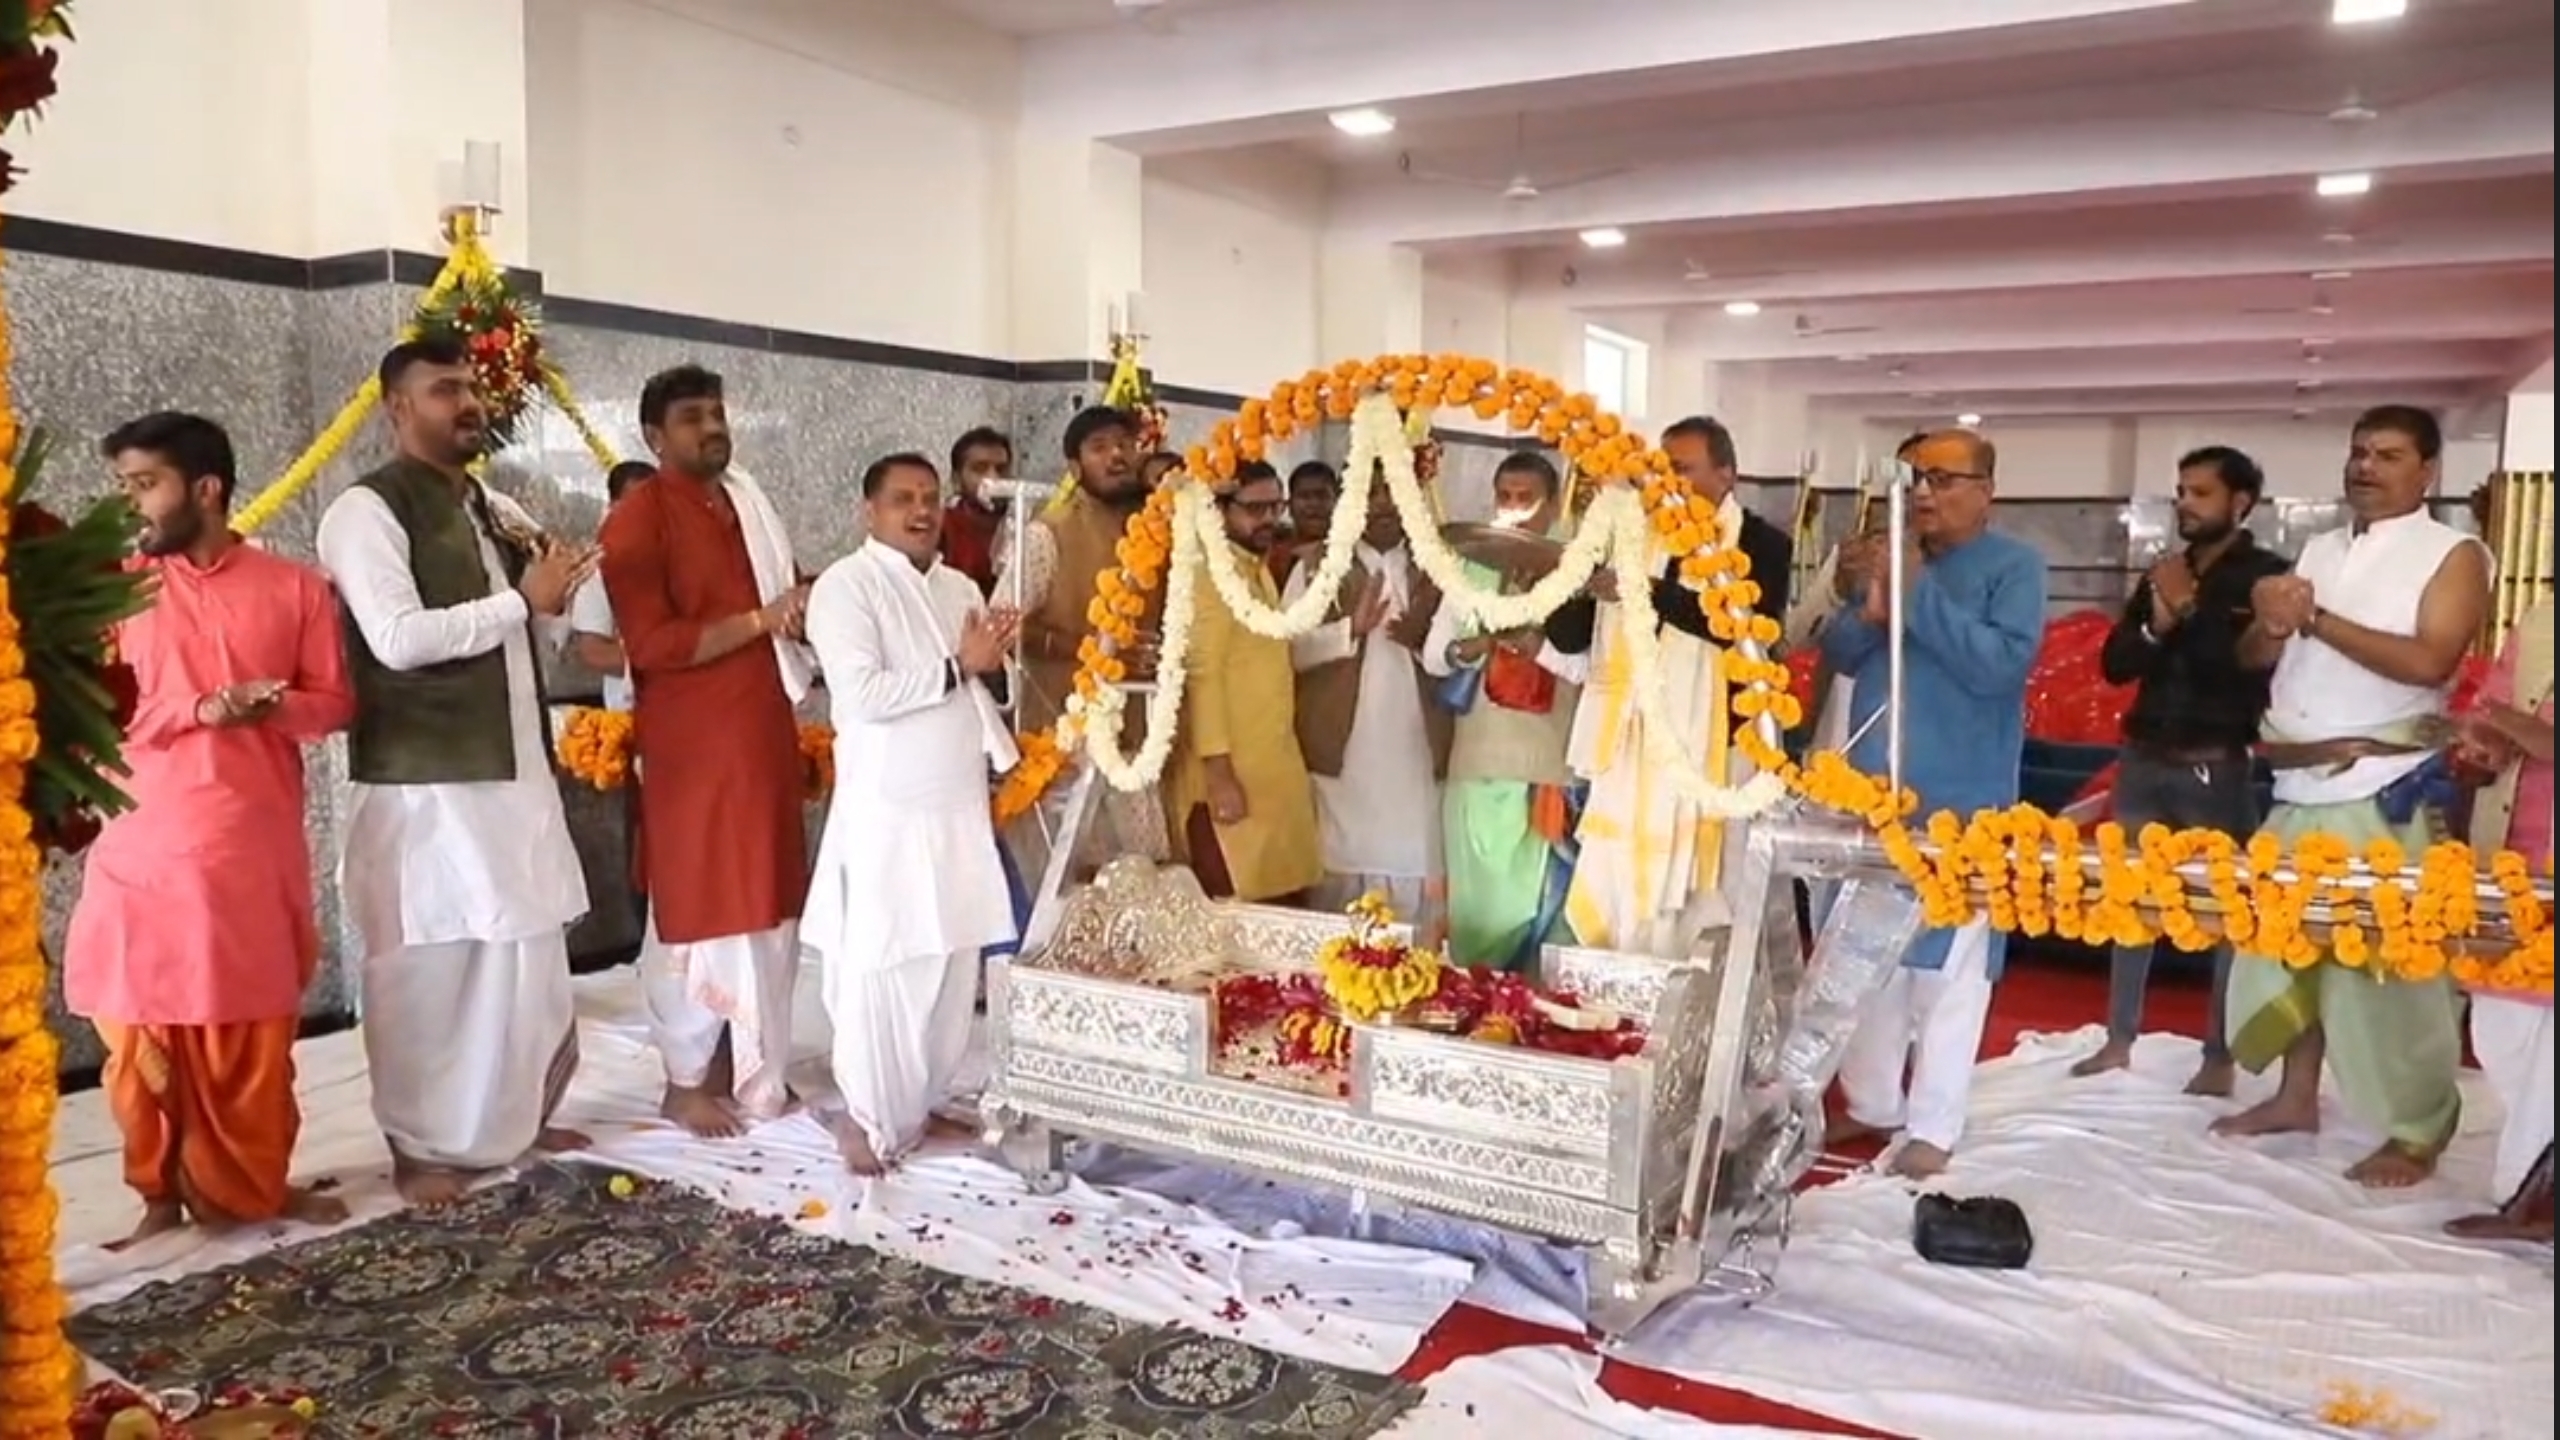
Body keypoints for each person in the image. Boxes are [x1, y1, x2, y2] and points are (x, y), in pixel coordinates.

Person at [316, 339, 596, 1207]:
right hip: (427, 786)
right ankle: (422, 1146)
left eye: (472, 388)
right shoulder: (365, 512)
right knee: (435, 967)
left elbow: (536, 624)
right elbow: (396, 640)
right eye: (445, 391)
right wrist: (523, 600)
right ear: (397, 408)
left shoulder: (490, 503)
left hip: (511, 772)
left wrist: (566, 590)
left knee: (525, 952)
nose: (467, 403)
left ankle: (510, 1116)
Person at [67, 412, 356, 1243]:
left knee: (253, 1037)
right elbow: (91, 713)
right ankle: (157, 1192)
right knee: (139, 1033)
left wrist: (271, 704)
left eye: (144, 485)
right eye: (123, 486)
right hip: (143, 852)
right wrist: (198, 708)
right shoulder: (115, 592)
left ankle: (253, 1186)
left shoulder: (294, 588)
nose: (131, 505)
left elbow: (333, 704)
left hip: (249, 850)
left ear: (206, 489)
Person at [2214, 404, 2488, 1188]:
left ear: (2428, 471)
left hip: (2389, 784)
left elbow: (2433, 660)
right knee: (2289, 945)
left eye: (2389, 455)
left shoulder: (2455, 552)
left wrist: (2316, 619)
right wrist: (2270, 623)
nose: (2366, 467)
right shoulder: (2320, 547)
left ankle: (2418, 1129)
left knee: (2391, 966)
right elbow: (2256, 655)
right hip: (2300, 780)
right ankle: (2296, 1097)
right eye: (2359, 453)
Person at [1822, 429, 2048, 1179]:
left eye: (1945, 479)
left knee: (1947, 972)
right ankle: (1874, 1102)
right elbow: (1848, 654)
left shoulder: (2014, 567)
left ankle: (1933, 1125)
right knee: (1867, 958)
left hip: (1962, 800)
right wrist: (1863, 593)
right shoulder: (1895, 556)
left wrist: (1914, 588)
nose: (1925, 492)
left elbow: (1998, 667)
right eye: (1915, 477)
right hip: (1872, 791)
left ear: (1986, 490)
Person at [600, 364, 814, 1137]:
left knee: (764, 897)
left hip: (758, 730)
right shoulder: (638, 518)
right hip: (693, 743)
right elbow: (652, 643)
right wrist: (762, 620)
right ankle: (683, 1077)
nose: (712, 428)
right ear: (655, 437)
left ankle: (744, 1056)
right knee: (697, 906)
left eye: (717, 413)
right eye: (693, 417)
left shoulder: (745, 503)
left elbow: (783, 595)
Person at [802, 452, 1021, 1175]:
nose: (921, 510)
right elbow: (862, 695)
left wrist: (992, 668)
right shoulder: (845, 586)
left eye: (929, 498)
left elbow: (978, 683)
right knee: (883, 964)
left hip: (954, 806)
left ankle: (918, 1104)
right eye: (903, 499)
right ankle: (866, 1118)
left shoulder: (958, 583)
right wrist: (962, 664)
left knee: (951, 960)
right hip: (887, 814)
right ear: (871, 511)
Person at [2074, 446, 2290, 1095]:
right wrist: (2158, 618)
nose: (2185, 505)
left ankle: (2218, 1056)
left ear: (2240, 502)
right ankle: (2118, 1039)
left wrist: (2184, 613)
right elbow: (2116, 663)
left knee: (2227, 911)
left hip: (2214, 767)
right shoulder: (2166, 572)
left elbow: (2241, 668)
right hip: (2144, 759)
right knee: (2133, 903)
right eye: (2181, 491)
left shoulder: (2267, 577)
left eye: (2200, 493)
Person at [1546, 415, 1792, 957]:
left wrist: (1647, 589)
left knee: (1708, 894)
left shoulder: (1762, 542)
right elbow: (1566, 639)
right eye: (1660, 469)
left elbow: (1743, 625)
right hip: (1629, 747)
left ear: (1727, 474)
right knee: (1614, 877)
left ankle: (1694, 1009)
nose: (1667, 482)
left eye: (1683, 469)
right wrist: (1576, 579)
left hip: (1717, 753)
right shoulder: (1630, 537)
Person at [1421, 451, 1590, 970]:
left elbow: (1591, 671)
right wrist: (1463, 652)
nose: (1514, 509)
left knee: (1541, 921)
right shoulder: (1467, 568)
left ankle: (1531, 1035)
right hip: (1476, 771)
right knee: (1478, 924)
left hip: (1546, 774)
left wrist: (1537, 648)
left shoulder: (1577, 574)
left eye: (1527, 499)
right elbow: (1432, 655)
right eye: (1505, 497)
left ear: (1555, 503)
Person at [1285, 465, 1450, 928]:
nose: (1383, 503)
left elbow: (1466, 648)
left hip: (1417, 749)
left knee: (1415, 857)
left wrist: (1425, 640)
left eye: (1394, 491)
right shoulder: (1317, 566)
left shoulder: (1435, 566)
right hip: (1343, 751)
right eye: (1371, 491)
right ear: (1350, 497)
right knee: (1341, 867)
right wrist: (1347, 631)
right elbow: (1282, 651)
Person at [1167, 461, 1325, 903]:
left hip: (1271, 772)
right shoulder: (1207, 574)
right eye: (1255, 509)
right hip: (1231, 778)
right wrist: (1218, 775)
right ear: (1217, 511)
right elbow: (1202, 675)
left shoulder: (1254, 568)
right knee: (1232, 919)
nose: (1270, 520)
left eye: (1277, 507)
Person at [2447, 594, 2554, 1241]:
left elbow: (2511, 716)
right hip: (2512, 848)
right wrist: (2481, 742)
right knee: (2501, 1029)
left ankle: (2529, 1197)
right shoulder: (2543, 616)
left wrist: (2511, 723)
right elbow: (2490, 707)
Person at [565, 460, 661, 712]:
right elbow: (593, 652)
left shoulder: (684, 561)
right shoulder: (600, 569)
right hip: (631, 713)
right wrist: (668, 664)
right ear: (614, 508)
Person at [940, 426, 1012, 595]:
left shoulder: (1023, 524)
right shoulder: (942, 526)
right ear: (957, 479)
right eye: (980, 469)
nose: (993, 479)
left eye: (1001, 470)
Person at [1274, 460, 1339, 588]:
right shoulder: (1274, 556)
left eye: (1322, 496)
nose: (1314, 504)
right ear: (1289, 505)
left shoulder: (1350, 551)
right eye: (1304, 496)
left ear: (1337, 502)